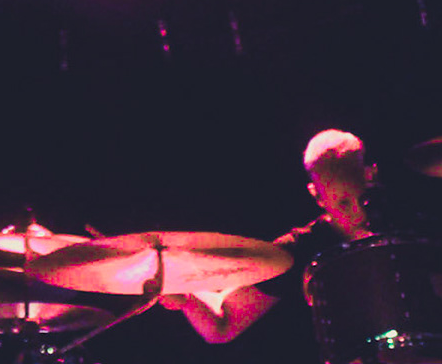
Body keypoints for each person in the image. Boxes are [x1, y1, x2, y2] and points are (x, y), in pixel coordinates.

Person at [162, 128, 378, 350]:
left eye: (364, 198)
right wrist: (186, 300)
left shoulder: (400, 217)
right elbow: (222, 326)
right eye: (343, 203)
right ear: (317, 195)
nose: (358, 212)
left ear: (371, 174)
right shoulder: (300, 250)